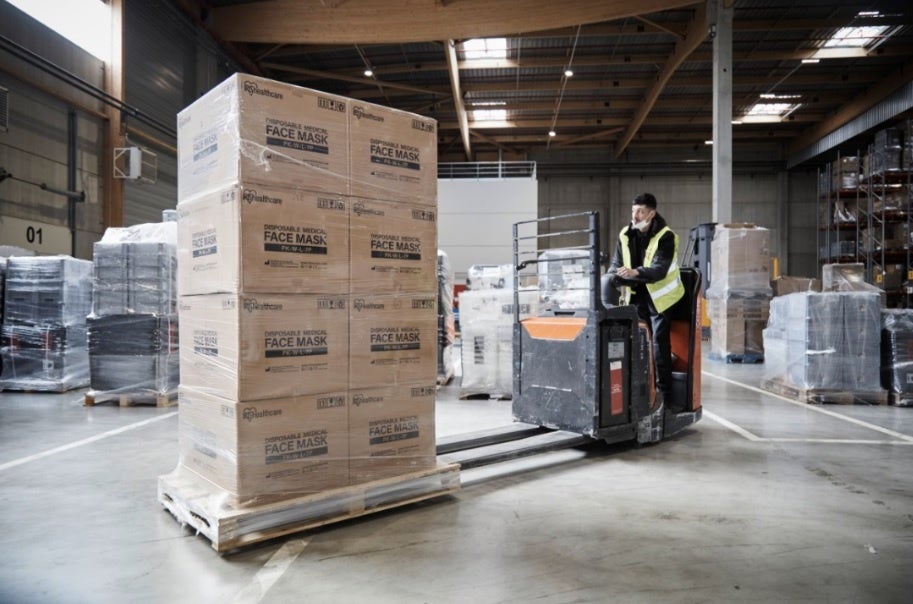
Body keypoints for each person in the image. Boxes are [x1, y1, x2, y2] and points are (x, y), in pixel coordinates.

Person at [607, 193, 685, 411]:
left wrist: (635, 272)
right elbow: (616, 263)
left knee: (658, 344)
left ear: (651, 214)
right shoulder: (625, 234)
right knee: (639, 344)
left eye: (640, 211)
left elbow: (660, 270)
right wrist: (611, 276)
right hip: (636, 295)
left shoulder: (666, 236)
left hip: (661, 298)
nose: (635, 216)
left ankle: (664, 396)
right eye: (633, 211)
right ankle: (641, 391)